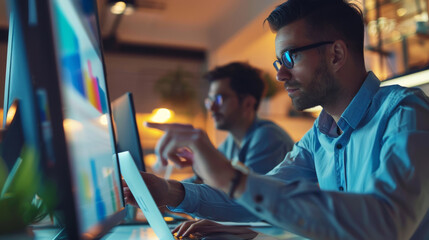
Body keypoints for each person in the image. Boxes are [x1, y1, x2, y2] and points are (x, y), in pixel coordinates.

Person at [124, 0, 429, 239]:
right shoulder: (318, 137)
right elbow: (255, 193)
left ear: (336, 54)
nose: (280, 74)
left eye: (289, 58)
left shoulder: (404, 114)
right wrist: (169, 191)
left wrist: (232, 179)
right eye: (277, 62)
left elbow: (387, 224)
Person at [183, 62, 294, 184]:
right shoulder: (231, 141)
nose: (212, 108)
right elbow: (202, 179)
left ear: (248, 103)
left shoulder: (269, 138)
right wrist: (166, 188)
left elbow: (240, 195)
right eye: (210, 100)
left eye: (220, 99)